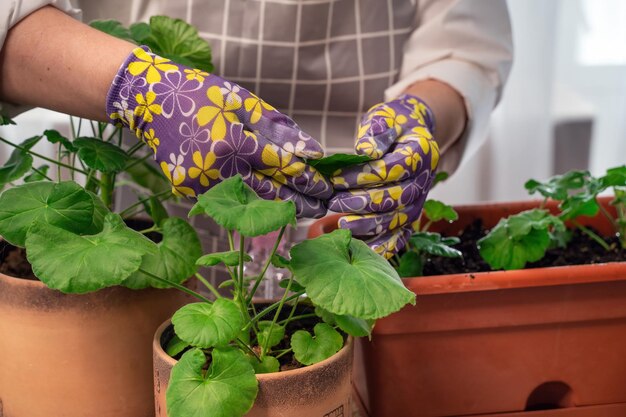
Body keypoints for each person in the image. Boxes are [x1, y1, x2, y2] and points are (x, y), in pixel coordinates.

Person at [0, 0, 513, 258]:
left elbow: (465, 43)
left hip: (363, 199)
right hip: (149, 185)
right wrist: (141, 87)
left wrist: (422, 114)